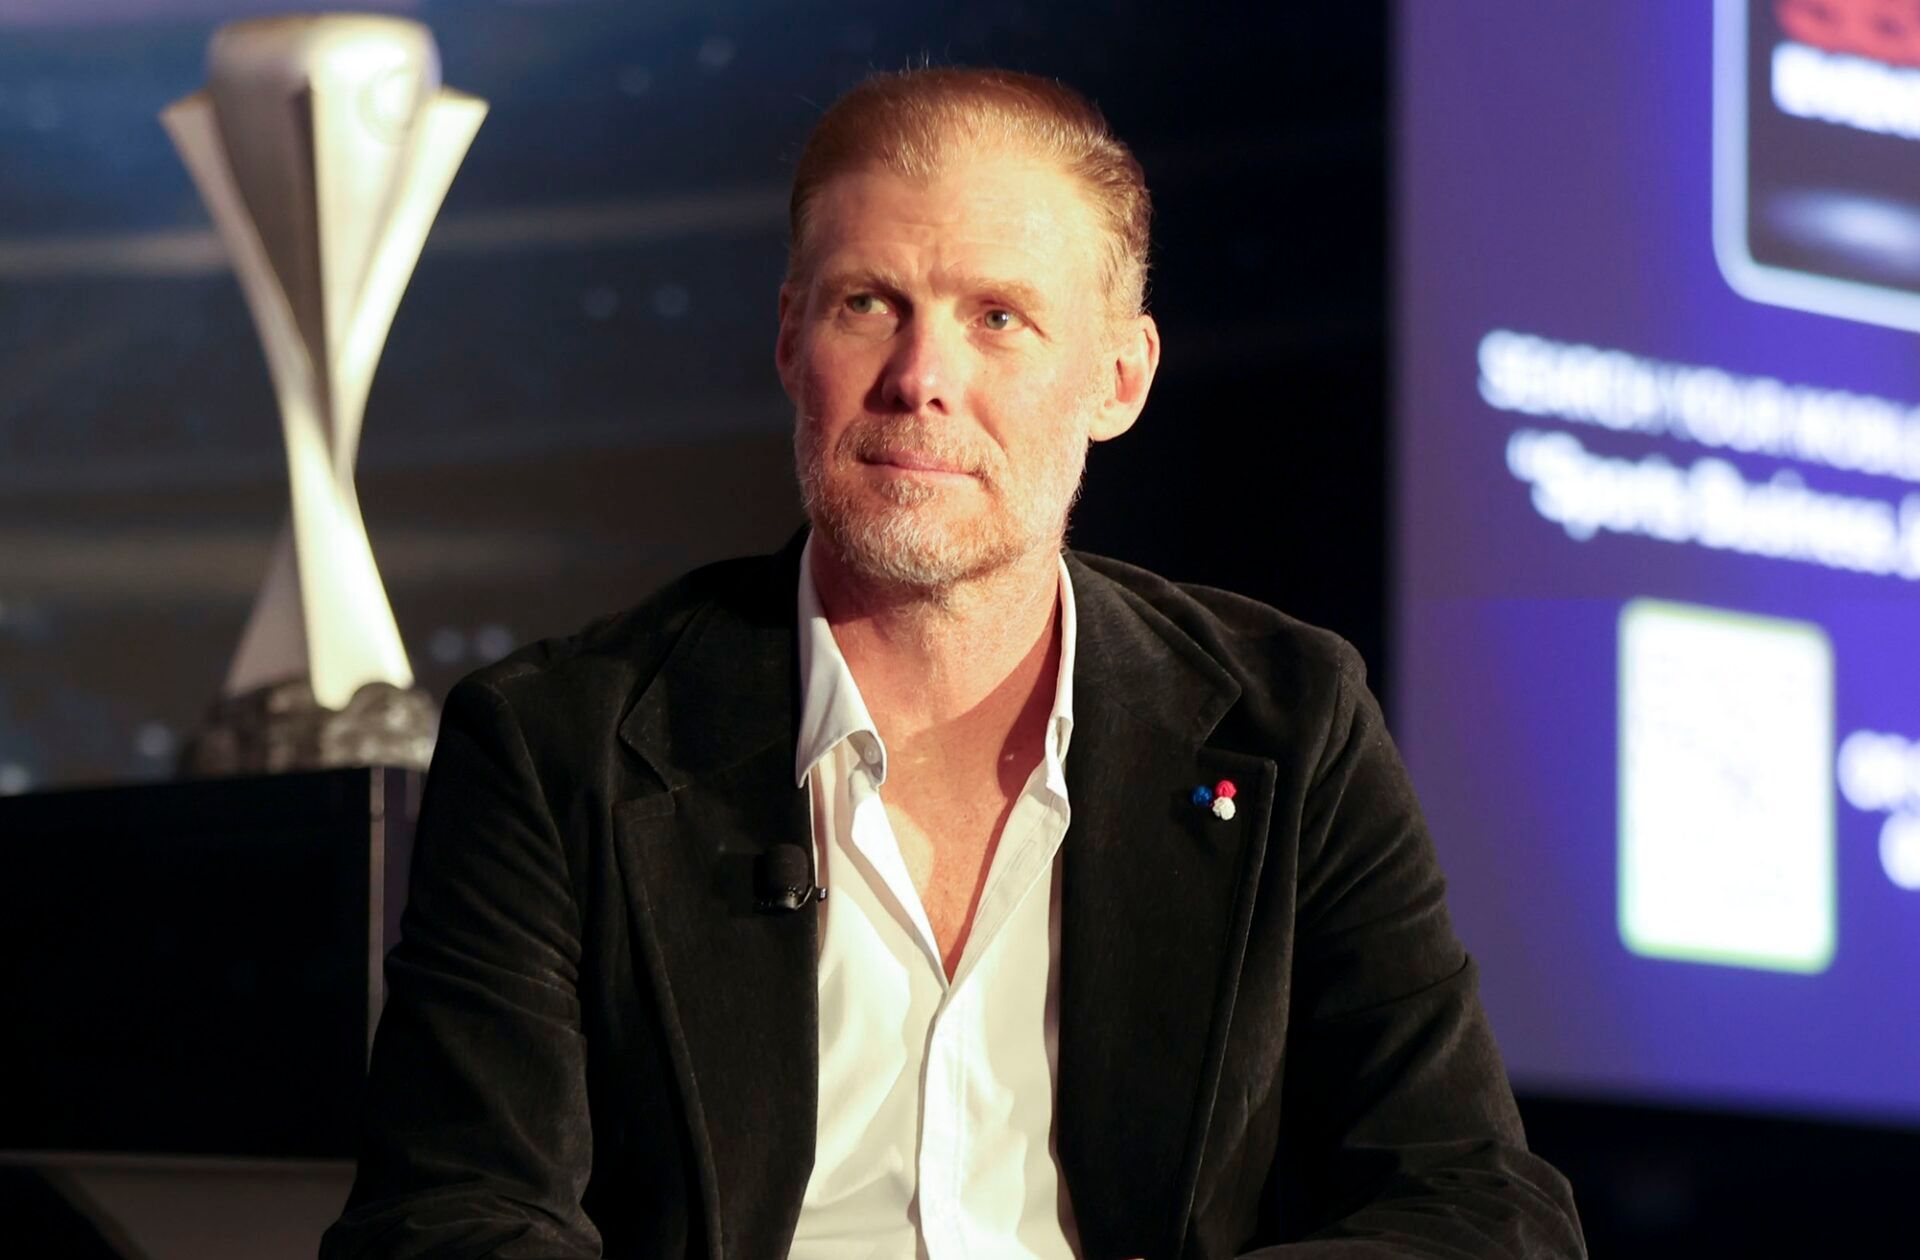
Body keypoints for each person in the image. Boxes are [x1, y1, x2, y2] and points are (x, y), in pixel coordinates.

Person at [322, 67, 1585, 1259]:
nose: (922, 378)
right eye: (868, 303)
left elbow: (1478, 1207)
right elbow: (449, 1218)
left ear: (1119, 378)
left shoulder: (1289, 721)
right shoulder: (562, 744)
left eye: (999, 317)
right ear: (788, 340)